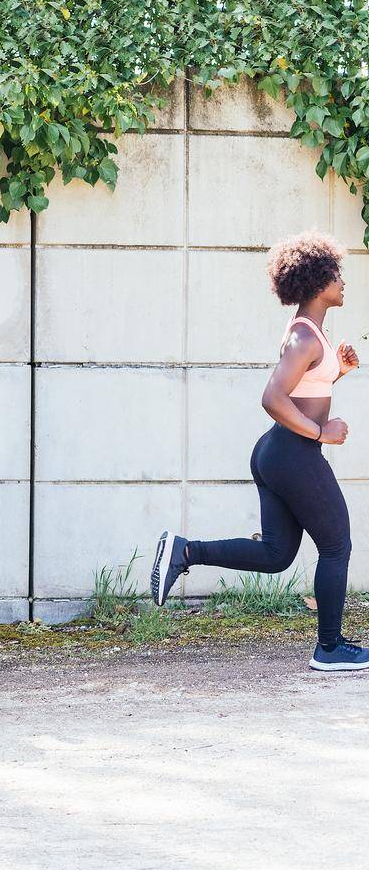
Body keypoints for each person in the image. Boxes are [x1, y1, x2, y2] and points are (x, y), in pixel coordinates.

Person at [151, 231, 367, 671]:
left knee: (276, 554)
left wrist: (337, 372)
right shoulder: (304, 338)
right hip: (292, 453)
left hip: (279, 452)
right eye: (336, 274)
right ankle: (329, 648)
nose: (343, 282)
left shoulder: (311, 336)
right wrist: (321, 433)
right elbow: (272, 397)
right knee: (336, 544)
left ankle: (185, 552)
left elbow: (302, 390)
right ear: (316, 280)